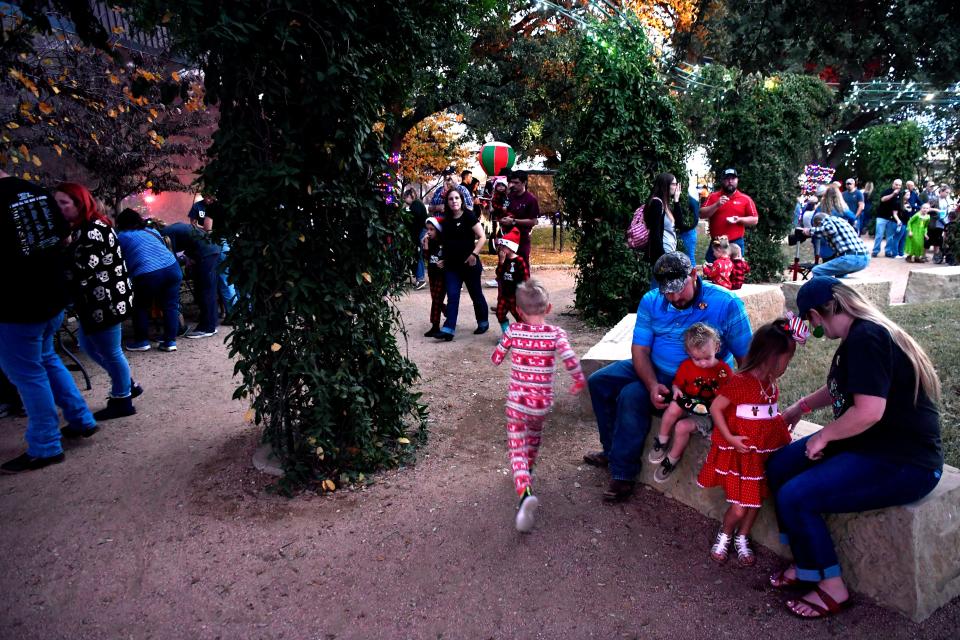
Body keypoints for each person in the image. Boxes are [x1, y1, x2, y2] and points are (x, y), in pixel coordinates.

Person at [767, 277, 943, 619]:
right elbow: (840, 388)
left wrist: (824, 436)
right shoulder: (858, 336)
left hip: (904, 460)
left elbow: (868, 411)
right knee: (779, 467)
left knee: (796, 495)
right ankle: (807, 563)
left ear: (817, 315)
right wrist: (798, 409)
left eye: (812, 322)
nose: (814, 329)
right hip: (868, 442)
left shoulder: (867, 338)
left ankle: (832, 587)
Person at [583, 252, 752, 501]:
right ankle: (611, 451)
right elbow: (640, 350)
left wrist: (743, 404)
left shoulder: (726, 304)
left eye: (677, 289)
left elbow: (747, 359)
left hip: (700, 379)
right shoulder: (652, 301)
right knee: (599, 382)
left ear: (694, 275)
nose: (673, 297)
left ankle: (623, 473)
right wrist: (652, 384)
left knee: (631, 396)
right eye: (667, 292)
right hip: (655, 368)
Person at [0, 170, 97, 473]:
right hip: (52, 296)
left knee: (28, 374)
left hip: (17, 304)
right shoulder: (40, 192)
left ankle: (45, 446)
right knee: (46, 359)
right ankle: (81, 418)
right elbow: (65, 237)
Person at [698, 317, 807, 566]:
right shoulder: (740, 382)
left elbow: (766, 416)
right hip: (743, 456)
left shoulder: (770, 384)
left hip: (764, 454)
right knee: (739, 506)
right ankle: (725, 534)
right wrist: (730, 438)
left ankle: (742, 537)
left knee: (755, 501)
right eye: (786, 360)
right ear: (771, 357)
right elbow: (716, 409)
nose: (787, 366)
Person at [491, 279, 586, 532]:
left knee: (516, 449)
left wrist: (504, 350)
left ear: (519, 311)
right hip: (540, 404)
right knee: (533, 438)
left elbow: (496, 358)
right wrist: (578, 380)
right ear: (549, 308)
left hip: (517, 403)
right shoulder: (555, 334)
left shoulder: (513, 331)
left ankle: (524, 493)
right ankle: (529, 473)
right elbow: (570, 359)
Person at [55, 183, 139, 420]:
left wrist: (62, 252)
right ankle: (127, 384)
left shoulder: (92, 229)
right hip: (97, 301)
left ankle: (123, 398)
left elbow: (83, 268)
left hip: (106, 300)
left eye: (64, 202)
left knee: (110, 351)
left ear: (79, 203)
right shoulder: (86, 227)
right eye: (57, 202)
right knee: (89, 345)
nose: (59, 207)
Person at [647, 323, 732, 483]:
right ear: (688, 353)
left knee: (681, 427)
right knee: (673, 406)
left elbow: (728, 398)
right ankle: (662, 439)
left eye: (707, 358)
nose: (702, 363)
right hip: (689, 403)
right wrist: (676, 390)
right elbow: (677, 384)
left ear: (717, 347)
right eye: (697, 358)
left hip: (708, 413)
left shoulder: (723, 372)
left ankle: (672, 459)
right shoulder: (687, 366)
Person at [115, 209, 183, 352]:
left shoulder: (122, 236)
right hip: (172, 268)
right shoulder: (152, 231)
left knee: (141, 306)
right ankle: (170, 342)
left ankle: (141, 341)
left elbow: (118, 259)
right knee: (170, 306)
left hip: (148, 273)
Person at [434, 189, 488, 341]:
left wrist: (474, 254)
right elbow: (447, 243)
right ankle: (448, 329)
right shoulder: (446, 220)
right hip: (452, 266)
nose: (454, 201)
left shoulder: (469, 216)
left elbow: (482, 237)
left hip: (469, 265)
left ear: (462, 200)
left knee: (476, 295)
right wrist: (444, 259)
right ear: (447, 202)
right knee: (452, 296)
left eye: (457, 198)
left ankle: (483, 322)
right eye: (451, 199)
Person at [162, 222, 222, 338]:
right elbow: (191, 240)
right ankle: (211, 324)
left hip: (206, 253)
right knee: (208, 289)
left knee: (205, 290)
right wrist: (189, 257)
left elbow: (171, 257)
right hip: (211, 249)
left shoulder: (165, 234)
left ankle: (207, 328)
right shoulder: (172, 229)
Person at [188, 193, 236, 316]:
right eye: (206, 197)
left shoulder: (213, 208)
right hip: (233, 242)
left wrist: (203, 228)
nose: (208, 200)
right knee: (233, 277)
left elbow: (208, 229)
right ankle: (245, 311)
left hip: (219, 243)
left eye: (210, 197)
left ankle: (235, 314)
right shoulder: (231, 203)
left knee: (225, 280)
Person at [699, 168, 759, 262]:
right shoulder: (713, 196)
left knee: (736, 274)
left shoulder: (745, 199)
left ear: (737, 180)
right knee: (713, 273)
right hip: (718, 243)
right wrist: (716, 205)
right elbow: (701, 214)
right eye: (727, 179)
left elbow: (755, 219)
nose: (730, 181)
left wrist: (739, 219)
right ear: (722, 180)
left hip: (736, 243)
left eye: (733, 178)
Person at [800, 212, 869, 278]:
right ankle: (840, 289)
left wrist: (809, 231)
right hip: (865, 258)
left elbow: (831, 229)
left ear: (818, 222)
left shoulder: (827, 220)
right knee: (840, 276)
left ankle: (821, 290)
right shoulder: (840, 220)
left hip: (851, 258)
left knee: (817, 270)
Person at [494, 228, 529, 334]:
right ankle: (507, 334)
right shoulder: (503, 259)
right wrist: (501, 262)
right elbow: (499, 274)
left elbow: (526, 277)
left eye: (504, 246)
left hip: (516, 295)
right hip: (504, 294)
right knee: (500, 314)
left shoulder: (519, 261)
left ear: (511, 247)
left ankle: (524, 333)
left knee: (519, 316)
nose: (501, 248)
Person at [502, 170, 540, 266]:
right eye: (511, 182)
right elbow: (503, 211)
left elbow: (533, 221)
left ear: (524, 183)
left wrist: (514, 221)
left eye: (516, 182)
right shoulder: (509, 197)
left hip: (522, 238)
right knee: (508, 265)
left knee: (522, 265)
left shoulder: (531, 199)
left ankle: (524, 281)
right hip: (508, 236)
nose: (513, 185)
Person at [642, 173, 679, 266]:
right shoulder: (657, 203)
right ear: (666, 185)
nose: (676, 187)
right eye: (674, 184)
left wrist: (676, 201)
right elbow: (655, 234)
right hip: (662, 255)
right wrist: (663, 258)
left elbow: (679, 224)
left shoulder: (665, 204)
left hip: (669, 252)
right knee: (659, 280)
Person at [422, 217, 446, 338]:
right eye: (428, 229)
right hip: (432, 274)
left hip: (442, 275)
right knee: (436, 298)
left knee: (436, 300)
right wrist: (425, 245)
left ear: (438, 229)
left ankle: (435, 326)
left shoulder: (444, 242)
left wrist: (445, 261)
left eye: (432, 229)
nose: (429, 232)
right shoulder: (430, 242)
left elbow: (451, 256)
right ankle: (446, 310)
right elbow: (426, 258)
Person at [403, 188, 429, 290]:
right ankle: (420, 278)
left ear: (411, 196)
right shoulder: (417, 205)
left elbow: (415, 218)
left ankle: (420, 278)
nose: (405, 200)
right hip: (421, 231)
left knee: (418, 254)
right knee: (419, 255)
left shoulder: (416, 204)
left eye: (406, 198)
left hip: (421, 232)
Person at [872, 179, 904, 258]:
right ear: (893, 184)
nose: (898, 186)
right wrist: (893, 194)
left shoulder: (900, 194)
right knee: (879, 234)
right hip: (882, 216)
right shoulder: (887, 191)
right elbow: (882, 199)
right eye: (896, 184)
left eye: (899, 185)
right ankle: (875, 251)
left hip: (892, 218)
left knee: (890, 237)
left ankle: (888, 251)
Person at [896, 181, 922, 257]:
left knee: (904, 237)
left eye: (913, 185)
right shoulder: (901, 201)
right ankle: (896, 252)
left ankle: (901, 252)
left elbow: (919, 202)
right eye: (912, 185)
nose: (913, 187)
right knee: (899, 237)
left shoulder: (913, 195)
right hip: (902, 221)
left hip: (908, 220)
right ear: (907, 186)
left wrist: (923, 206)